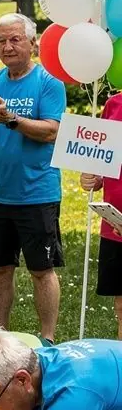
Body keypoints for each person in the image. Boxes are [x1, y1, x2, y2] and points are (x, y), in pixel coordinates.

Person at [0, 12, 65, 343]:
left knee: (42, 270)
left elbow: (51, 131)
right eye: (2, 41)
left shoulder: (48, 83)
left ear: (32, 44)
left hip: (37, 194)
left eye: (15, 39)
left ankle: (47, 339)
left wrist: (11, 119)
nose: (7, 47)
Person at [80, 92, 122, 338]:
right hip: (115, 223)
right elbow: (103, 160)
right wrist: (94, 178)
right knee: (121, 304)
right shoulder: (114, 104)